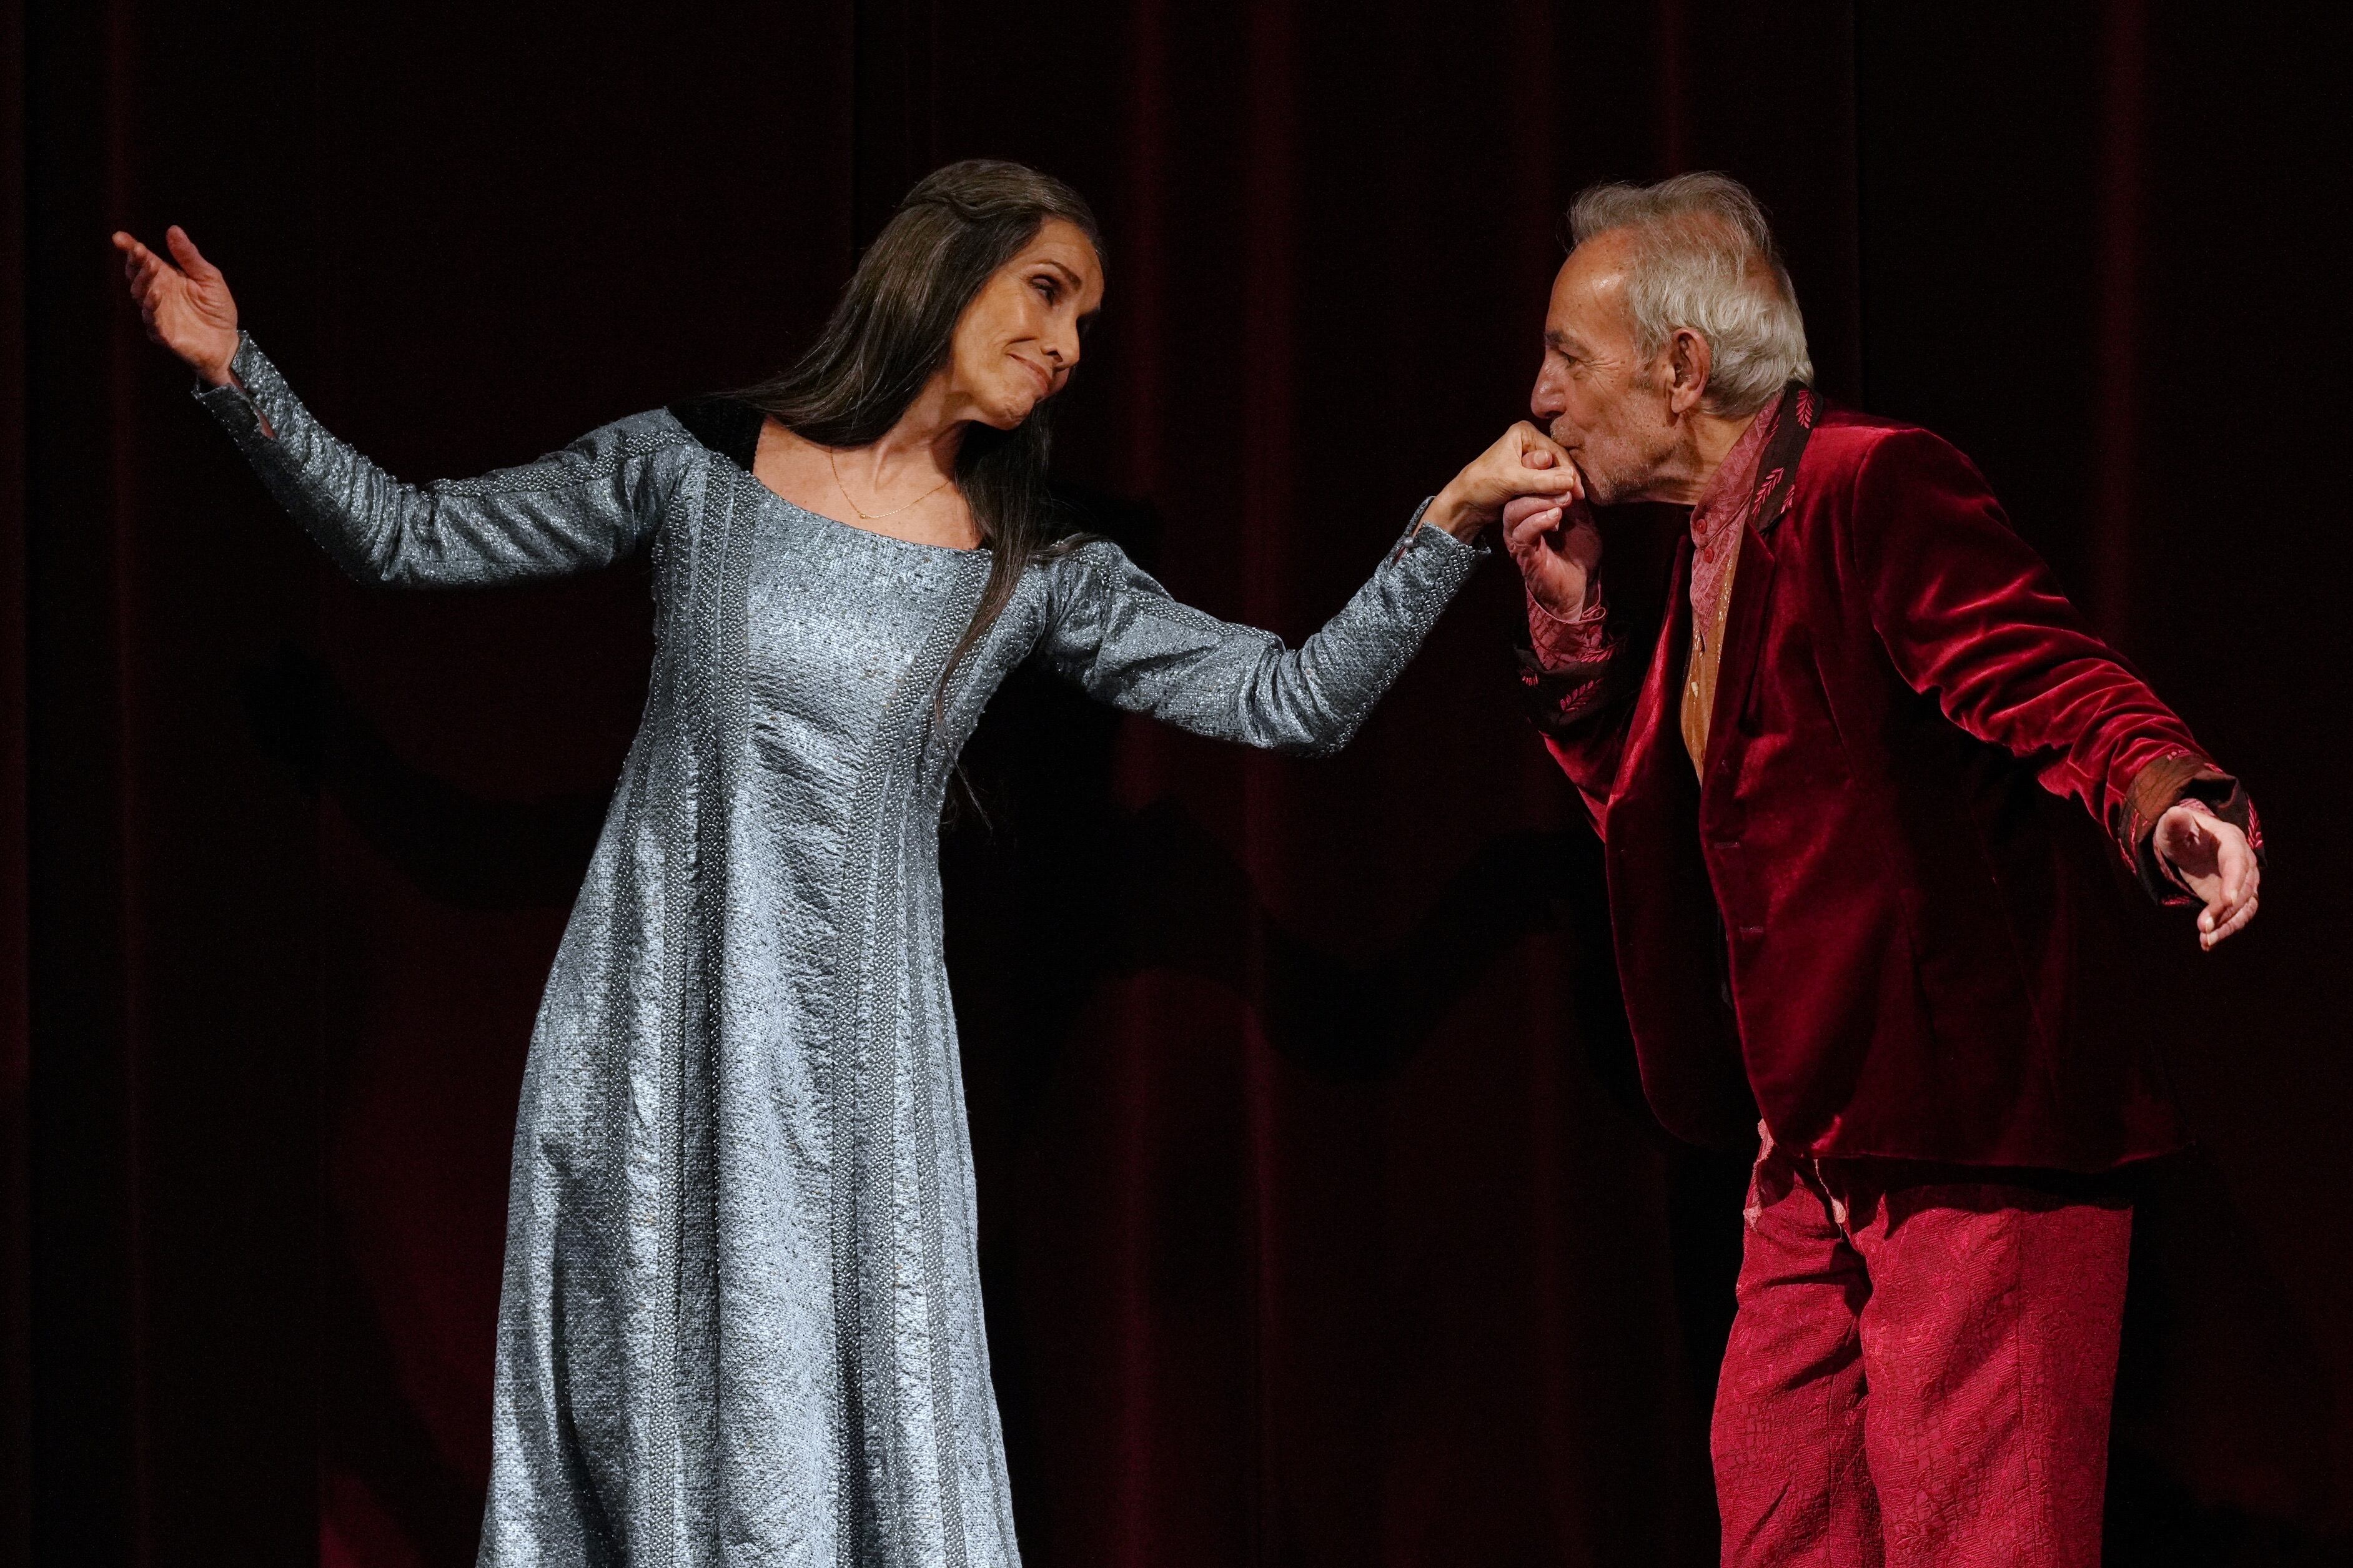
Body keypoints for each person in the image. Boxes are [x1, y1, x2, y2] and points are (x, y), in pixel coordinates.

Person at [114, 159, 1573, 1566]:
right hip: (653, 1045)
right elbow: (405, 537)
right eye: (1048, 292)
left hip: (860, 1095)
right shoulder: (692, 466)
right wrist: (239, 377)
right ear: (941, 269)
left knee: (835, 1442)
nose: (1067, 347)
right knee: (649, 1423)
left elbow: (1291, 699)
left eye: (1087, 324)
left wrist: (1447, 521)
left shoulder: (1036, 568)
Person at [1499, 173, 2261, 1568]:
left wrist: (2165, 799)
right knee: (1782, 1514)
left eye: (1568, 357)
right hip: (1818, 1144)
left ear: (1681, 369)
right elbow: (1668, 806)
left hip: (1971, 1135)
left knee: (1986, 1540)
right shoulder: (1708, 542)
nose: (1540, 397)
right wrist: (1574, 621)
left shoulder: (1866, 477)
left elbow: (2038, 669)